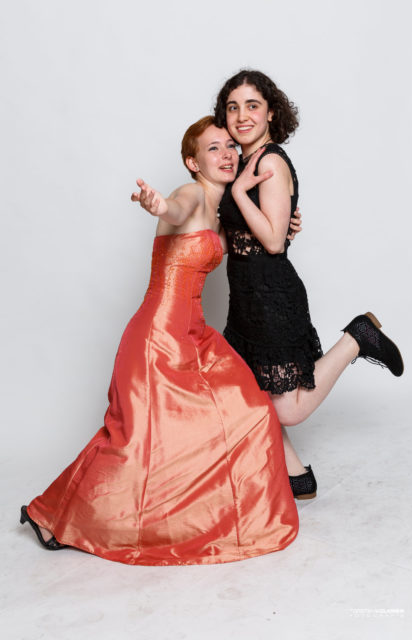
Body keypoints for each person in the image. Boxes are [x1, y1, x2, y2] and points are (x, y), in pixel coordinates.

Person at [20, 116, 299, 566]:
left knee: (250, 411)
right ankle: (53, 516)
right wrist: (158, 205)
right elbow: (175, 209)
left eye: (230, 146)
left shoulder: (222, 212)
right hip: (157, 339)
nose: (226, 154)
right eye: (213, 148)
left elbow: (258, 243)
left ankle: (212, 518)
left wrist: (283, 223)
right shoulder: (191, 195)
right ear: (193, 162)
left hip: (194, 336)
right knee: (135, 446)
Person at [214, 70, 404, 499]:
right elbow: (245, 235)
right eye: (233, 107)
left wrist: (241, 194)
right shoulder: (241, 163)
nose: (241, 116)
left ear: (271, 113)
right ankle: (297, 475)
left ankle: (357, 338)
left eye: (252, 106)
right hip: (244, 298)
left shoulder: (269, 163)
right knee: (248, 392)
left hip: (271, 298)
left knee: (288, 408)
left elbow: (273, 241)